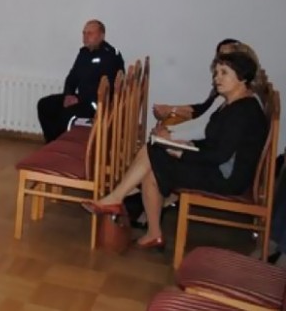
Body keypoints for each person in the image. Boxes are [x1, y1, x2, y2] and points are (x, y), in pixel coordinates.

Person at [83, 52, 268, 250]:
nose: (217, 78)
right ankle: (149, 230)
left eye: (224, 73)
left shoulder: (242, 111)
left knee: (153, 153)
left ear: (242, 77)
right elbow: (214, 141)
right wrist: (184, 144)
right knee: (153, 161)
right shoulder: (233, 102)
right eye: (216, 73)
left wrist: (181, 152)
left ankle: (118, 200)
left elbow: (219, 156)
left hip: (225, 179)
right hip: (217, 169)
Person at [37, 20, 125, 143]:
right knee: (44, 105)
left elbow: (108, 88)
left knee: (66, 115)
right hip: (81, 99)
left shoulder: (110, 56)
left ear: (101, 35)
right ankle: (52, 143)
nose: (85, 37)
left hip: (96, 104)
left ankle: (64, 146)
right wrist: (69, 95)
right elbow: (72, 78)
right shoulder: (84, 54)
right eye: (84, 33)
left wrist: (81, 100)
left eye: (90, 33)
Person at [152, 39, 264, 125]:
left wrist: (172, 114)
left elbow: (204, 124)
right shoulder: (223, 90)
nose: (221, 60)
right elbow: (200, 109)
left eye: (229, 57)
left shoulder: (238, 98)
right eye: (220, 56)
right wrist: (170, 109)